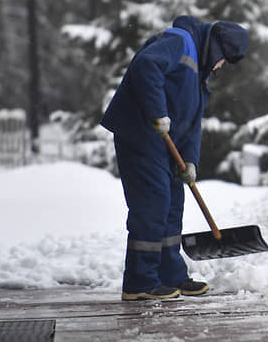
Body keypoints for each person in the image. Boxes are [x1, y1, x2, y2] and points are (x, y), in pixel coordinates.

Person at [101, 15, 249, 301]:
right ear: (217, 49)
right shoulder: (179, 41)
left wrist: (190, 160)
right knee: (152, 205)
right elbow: (146, 66)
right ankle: (140, 282)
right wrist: (158, 113)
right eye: (223, 60)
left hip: (165, 145)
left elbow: (193, 123)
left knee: (171, 207)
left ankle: (170, 276)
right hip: (141, 134)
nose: (220, 67)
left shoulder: (198, 74)